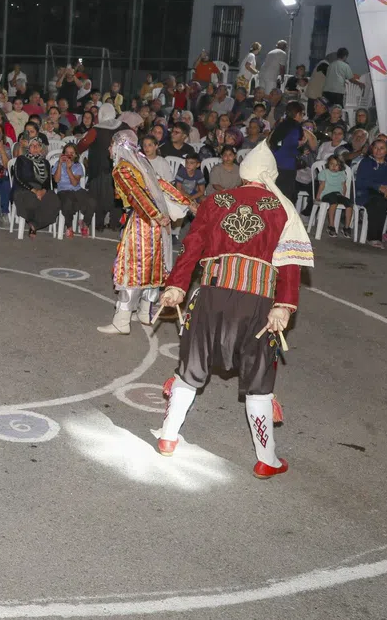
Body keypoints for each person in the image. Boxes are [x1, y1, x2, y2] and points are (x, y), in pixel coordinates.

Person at [157, 142, 314, 478]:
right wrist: (284, 306)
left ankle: (168, 438)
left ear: (243, 172)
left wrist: (176, 285)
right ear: (270, 175)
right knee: (259, 381)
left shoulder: (216, 201)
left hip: (211, 296)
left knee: (191, 367)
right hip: (256, 303)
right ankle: (266, 459)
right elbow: (290, 262)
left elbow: (192, 246)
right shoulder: (283, 209)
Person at [98, 130, 192, 334]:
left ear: (119, 147)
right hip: (158, 225)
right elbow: (163, 185)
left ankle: (122, 320)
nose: (109, 149)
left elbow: (135, 194)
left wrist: (154, 214)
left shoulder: (123, 168)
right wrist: (188, 203)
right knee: (153, 267)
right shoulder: (142, 163)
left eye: (111, 145)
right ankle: (144, 312)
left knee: (133, 268)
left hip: (143, 222)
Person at [13, 138, 60, 238]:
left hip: (42, 189)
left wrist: (43, 191)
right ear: (28, 148)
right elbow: (19, 178)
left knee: (54, 201)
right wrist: (34, 191)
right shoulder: (21, 159)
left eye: (37, 145)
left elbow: (48, 180)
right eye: (32, 145)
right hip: (24, 188)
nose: (35, 148)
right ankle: (34, 223)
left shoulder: (45, 162)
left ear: (41, 148)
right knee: (31, 201)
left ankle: (34, 225)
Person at [54, 143, 94, 237]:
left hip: (76, 189)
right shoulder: (58, 164)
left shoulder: (78, 166)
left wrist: (68, 169)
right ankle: (69, 226)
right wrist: (60, 164)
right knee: (67, 202)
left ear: (75, 155)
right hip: (63, 190)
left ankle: (85, 224)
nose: (69, 155)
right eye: (67, 152)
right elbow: (56, 180)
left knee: (92, 201)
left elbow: (75, 183)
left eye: (71, 153)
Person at [316, 154, 353, 237]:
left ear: (340, 166)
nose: (334, 166)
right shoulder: (324, 172)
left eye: (336, 165)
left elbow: (344, 186)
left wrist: (343, 196)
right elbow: (322, 185)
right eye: (331, 164)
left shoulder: (342, 173)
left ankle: (346, 227)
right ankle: (331, 226)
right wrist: (318, 196)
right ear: (328, 164)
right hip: (326, 194)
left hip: (338, 194)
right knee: (334, 202)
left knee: (349, 203)